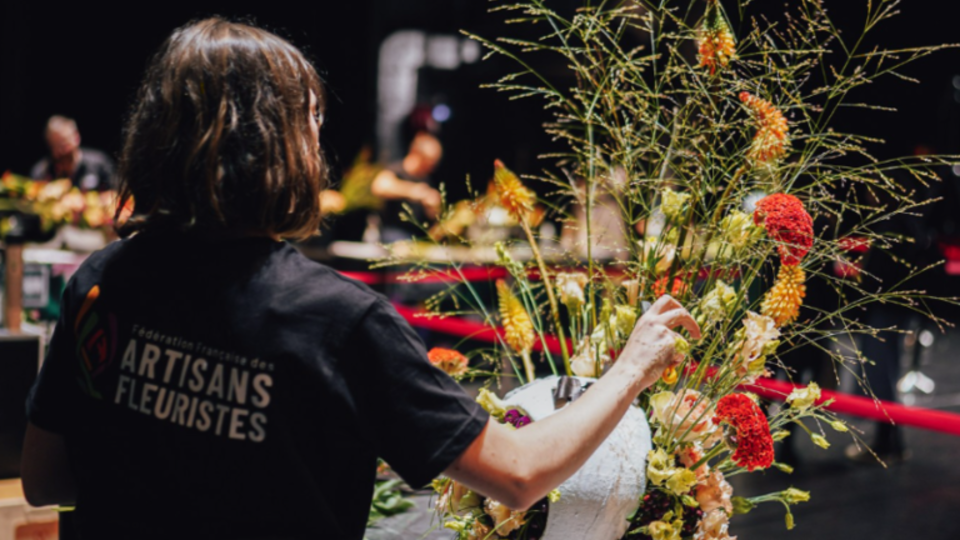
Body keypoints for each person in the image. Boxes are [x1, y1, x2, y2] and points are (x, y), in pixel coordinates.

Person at [19, 18, 699, 540]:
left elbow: (44, 478)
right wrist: (629, 370)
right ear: (275, 144)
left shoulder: (102, 280)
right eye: (310, 123)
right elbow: (517, 476)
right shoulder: (337, 321)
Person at [370, 131, 443, 242]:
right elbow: (379, 187)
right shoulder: (396, 170)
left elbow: (433, 218)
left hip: (417, 235)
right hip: (393, 232)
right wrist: (412, 191)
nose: (431, 167)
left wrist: (433, 207)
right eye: (429, 161)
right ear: (416, 153)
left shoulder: (426, 179)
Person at [30, 115, 115, 191]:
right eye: (57, 145)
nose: (64, 151)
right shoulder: (41, 172)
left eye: (66, 144)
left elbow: (115, 194)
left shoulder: (99, 163)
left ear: (77, 137)